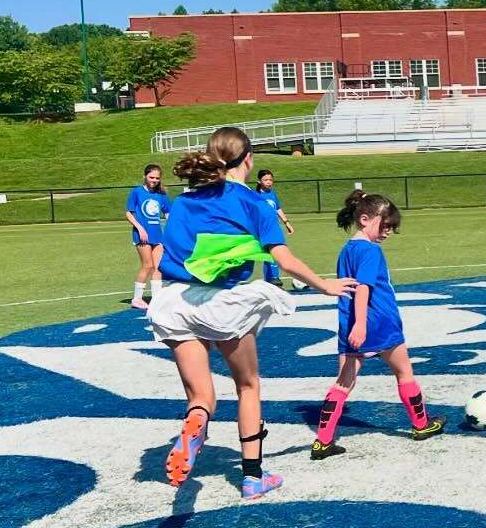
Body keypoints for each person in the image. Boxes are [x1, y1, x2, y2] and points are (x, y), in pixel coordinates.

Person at [148, 128, 355, 501]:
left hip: (176, 302)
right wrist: (326, 285)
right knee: (247, 385)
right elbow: (284, 261)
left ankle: (197, 422)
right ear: (248, 158)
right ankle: (252, 477)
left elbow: (162, 254)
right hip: (225, 305)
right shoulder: (256, 204)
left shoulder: (182, 202)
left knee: (201, 396)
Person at [310, 191, 444, 459]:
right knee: (404, 372)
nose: (388, 232)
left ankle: (323, 441)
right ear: (364, 219)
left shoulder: (347, 250)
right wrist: (362, 324)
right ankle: (421, 425)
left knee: (344, 382)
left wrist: (355, 324)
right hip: (379, 322)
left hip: (349, 324)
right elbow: (363, 287)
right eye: (384, 225)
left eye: (391, 227)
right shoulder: (371, 250)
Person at [124, 164, 171, 310]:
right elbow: (129, 213)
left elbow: (168, 213)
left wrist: (171, 229)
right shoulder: (137, 191)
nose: (154, 180)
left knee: (158, 267)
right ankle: (137, 299)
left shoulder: (161, 194)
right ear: (145, 176)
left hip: (158, 235)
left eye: (157, 178)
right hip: (142, 235)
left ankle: (156, 299)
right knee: (148, 265)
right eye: (151, 177)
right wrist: (140, 229)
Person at [253, 169, 296, 289]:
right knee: (269, 253)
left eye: (270, 180)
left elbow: (278, 209)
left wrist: (286, 222)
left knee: (273, 253)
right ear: (259, 181)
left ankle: (272, 279)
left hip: (274, 228)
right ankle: (273, 278)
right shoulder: (255, 195)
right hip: (262, 229)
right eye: (265, 180)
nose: (269, 182)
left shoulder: (272, 194)